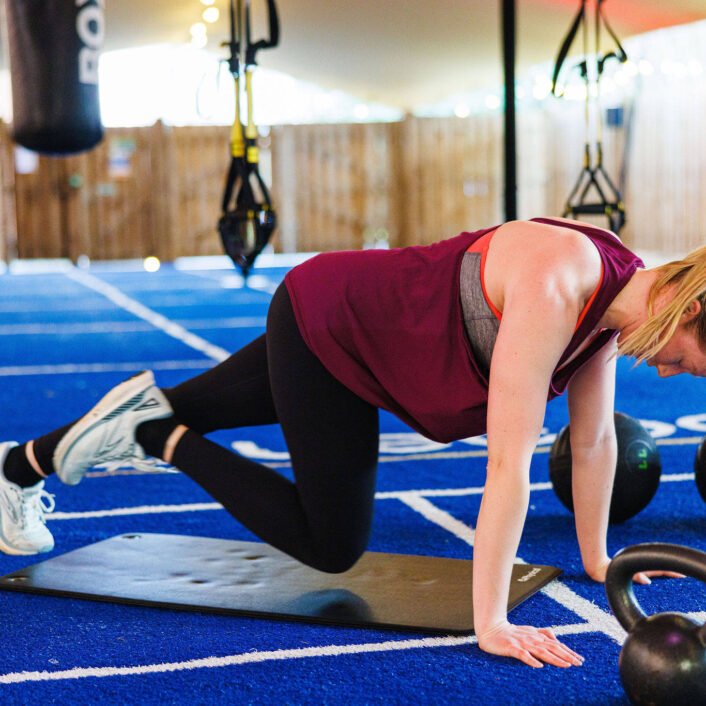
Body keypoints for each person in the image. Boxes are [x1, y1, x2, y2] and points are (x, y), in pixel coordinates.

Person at [0, 217, 700, 668]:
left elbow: (595, 440)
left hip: (354, 323)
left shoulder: (617, 296)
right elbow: (508, 467)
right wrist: (488, 622)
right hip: (333, 330)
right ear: (690, 308)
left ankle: (14, 467)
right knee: (331, 543)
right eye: (687, 360)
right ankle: (157, 437)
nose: (667, 371)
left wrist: (598, 557)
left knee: (190, 402)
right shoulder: (558, 287)